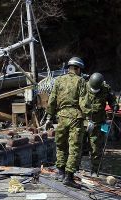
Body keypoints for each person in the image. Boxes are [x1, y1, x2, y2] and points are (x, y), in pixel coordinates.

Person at [46, 56, 88, 187]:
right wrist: (90, 117)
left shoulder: (58, 80)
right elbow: (84, 102)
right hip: (76, 117)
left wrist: (49, 117)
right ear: (77, 68)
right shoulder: (80, 81)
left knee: (61, 144)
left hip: (62, 116)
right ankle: (69, 177)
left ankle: (60, 172)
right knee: (74, 147)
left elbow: (52, 100)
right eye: (80, 69)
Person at [84, 72, 117, 176]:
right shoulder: (83, 87)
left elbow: (112, 101)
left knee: (98, 147)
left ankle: (95, 170)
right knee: (80, 145)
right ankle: (74, 168)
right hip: (86, 121)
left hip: (102, 122)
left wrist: (115, 106)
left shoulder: (106, 89)